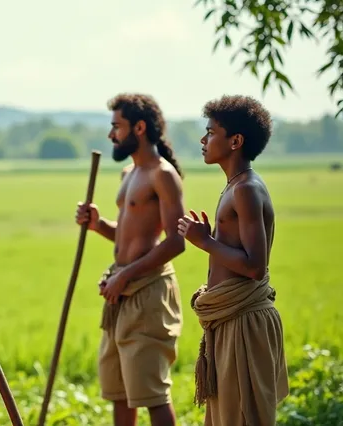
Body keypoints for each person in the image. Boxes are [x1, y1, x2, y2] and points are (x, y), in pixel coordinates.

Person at [75, 93, 186, 426]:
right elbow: (129, 236)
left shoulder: (162, 175)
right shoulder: (129, 174)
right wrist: (98, 224)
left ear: (139, 127)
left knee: (150, 394)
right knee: (120, 391)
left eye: (117, 127)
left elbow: (176, 242)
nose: (112, 135)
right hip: (120, 292)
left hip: (147, 293)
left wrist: (126, 276)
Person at [177, 94, 288, 426]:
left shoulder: (246, 189)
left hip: (244, 321)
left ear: (235, 141)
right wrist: (211, 239)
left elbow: (255, 267)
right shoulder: (235, 186)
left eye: (210, 132)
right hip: (230, 319)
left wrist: (205, 242)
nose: (203, 139)